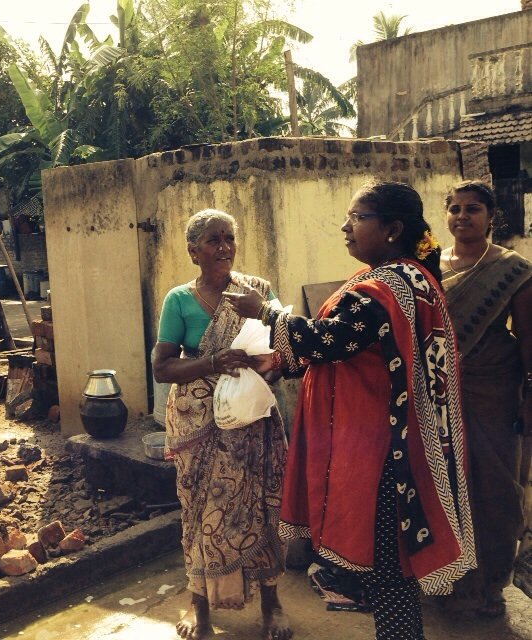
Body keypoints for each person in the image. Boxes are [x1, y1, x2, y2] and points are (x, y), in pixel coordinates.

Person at [224, 181, 476, 640]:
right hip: (405, 443)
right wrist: (282, 359)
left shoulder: (382, 290)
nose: (345, 226)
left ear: (393, 229)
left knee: (388, 572)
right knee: (390, 572)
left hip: (382, 453)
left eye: (357, 218)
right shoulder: (415, 279)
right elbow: (355, 351)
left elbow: (331, 340)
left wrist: (266, 312)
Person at [152, 209, 291, 640]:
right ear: (194, 251)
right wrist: (213, 362)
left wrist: (265, 371)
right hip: (197, 423)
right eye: (213, 240)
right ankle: (200, 607)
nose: (224, 248)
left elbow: (281, 353)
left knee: (260, 506)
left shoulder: (255, 294)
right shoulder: (179, 299)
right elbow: (162, 368)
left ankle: (271, 604)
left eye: (229, 238)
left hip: (250, 420)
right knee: (198, 512)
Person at [439, 180, 532, 615]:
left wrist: (527, 396)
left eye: (472, 209)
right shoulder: (431, 266)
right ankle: (449, 581)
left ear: (492, 216)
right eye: (455, 209)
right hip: (439, 392)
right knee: (445, 485)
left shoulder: (513, 269)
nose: (462, 216)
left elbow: (529, 340)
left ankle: (491, 583)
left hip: (494, 386)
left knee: (495, 487)